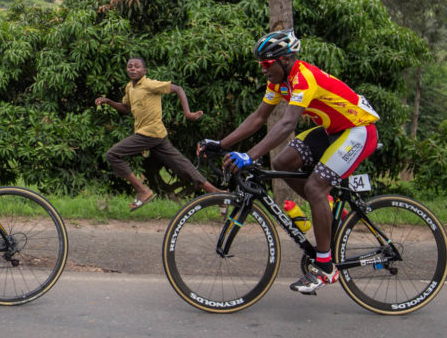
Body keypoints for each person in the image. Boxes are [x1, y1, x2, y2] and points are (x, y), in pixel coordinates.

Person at [204, 28, 379, 294]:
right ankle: (325, 207)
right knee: (283, 163)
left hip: (358, 129)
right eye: (261, 65)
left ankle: (325, 268)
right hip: (333, 129)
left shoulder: (304, 77)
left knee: (315, 187)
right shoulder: (278, 83)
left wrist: (249, 155)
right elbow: (259, 117)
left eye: (266, 64)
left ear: (285, 59)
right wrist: (223, 144)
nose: (263, 70)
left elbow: (287, 124)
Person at [96, 57, 219, 212]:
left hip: (150, 133)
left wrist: (187, 114)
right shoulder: (129, 87)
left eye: (137, 66)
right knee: (182, 166)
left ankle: (143, 191)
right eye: (129, 66)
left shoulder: (149, 84)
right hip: (157, 136)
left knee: (113, 154)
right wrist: (108, 101)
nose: (132, 69)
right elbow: (126, 108)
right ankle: (217, 194)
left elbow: (178, 89)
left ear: (144, 71)